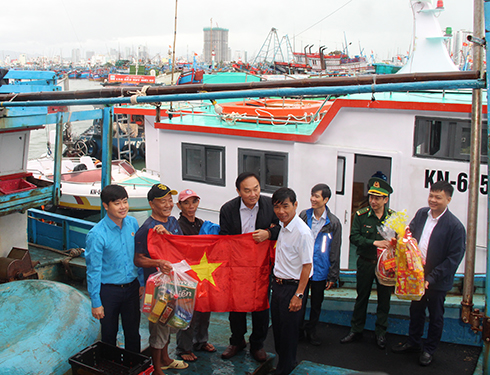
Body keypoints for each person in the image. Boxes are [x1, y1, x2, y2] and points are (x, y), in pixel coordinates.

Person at [392, 181, 466, 366]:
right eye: (431, 195)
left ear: (448, 199)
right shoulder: (421, 214)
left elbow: (453, 259)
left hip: (437, 281)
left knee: (436, 316)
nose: (432, 200)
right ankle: (414, 342)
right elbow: (410, 236)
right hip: (415, 276)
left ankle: (429, 349)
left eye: (438, 197)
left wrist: (431, 278)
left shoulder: (455, 227)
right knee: (415, 311)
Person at [219, 172, 280, 362]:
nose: (253, 194)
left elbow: (284, 227)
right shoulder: (228, 209)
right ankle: (237, 341)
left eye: (256, 189)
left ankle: (257, 344)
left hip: (261, 267)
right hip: (237, 267)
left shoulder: (271, 205)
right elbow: (224, 238)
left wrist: (268, 233)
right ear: (238, 191)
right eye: (247, 190)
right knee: (236, 307)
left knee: (260, 307)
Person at [134, 183, 188, 375]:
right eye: (162, 201)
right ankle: (157, 368)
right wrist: (158, 261)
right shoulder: (146, 228)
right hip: (157, 289)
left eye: (169, 200)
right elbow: (138, 259)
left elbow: (180, 246)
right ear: (151, 204)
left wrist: (168, 237)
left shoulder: (173, 222)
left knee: (170, 323)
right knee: (158, 326)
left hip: (174, 284)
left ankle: (166, 359)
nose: (168, 204)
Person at [85, 184, 143, 353]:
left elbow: (137, 255)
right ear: (105, 205)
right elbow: (93, 270)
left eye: (125, 202)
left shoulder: (132, 223)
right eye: (117, 203)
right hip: (109, 291)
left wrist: (140, 282)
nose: (123, 207)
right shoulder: (97, 234)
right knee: (109, 335)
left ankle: (135, 368)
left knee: (133, 333)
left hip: (132, 288)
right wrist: (96, 302)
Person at [340, 176, 394, 349]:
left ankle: (381, 333)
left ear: (385, 199)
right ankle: (356, 330)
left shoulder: (393, 218)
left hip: (386, 266)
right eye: (371, 197)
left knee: (384, 300)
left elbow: (400, 240)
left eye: (377, 198)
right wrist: (374, 243)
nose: (373, 201)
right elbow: (354, 237)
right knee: (361, 297)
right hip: (366, 263)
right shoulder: (361, 215)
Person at [271, 187, 314, 375]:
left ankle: (284, 370)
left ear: (295, 205)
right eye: (277, 207)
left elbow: (307, 266)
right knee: (279, 331)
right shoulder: (282, 227)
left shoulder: (302, 232)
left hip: (292, 288)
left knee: (288, 334)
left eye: (286, 206)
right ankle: (287, 365)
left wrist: (299, 294)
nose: (281, 212)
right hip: (278, 286)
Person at [175, 189, 216, 362]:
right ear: (179, 205)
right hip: (186, 275)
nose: (191, 206)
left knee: (204, 309)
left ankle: (201, 341)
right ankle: (183, 348)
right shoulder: (177, 226)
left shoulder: (202, 224)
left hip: (204, 273)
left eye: (194, 202)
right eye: (186, 202)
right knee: (186, 312)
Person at [299, 183, 341, 346]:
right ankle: (298, 331)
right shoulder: (304, 216)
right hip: (303, 268)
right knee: (300, 301)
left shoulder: (333, 223)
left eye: (317, 196)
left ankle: (312, 331)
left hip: (320, 271)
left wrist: (333, 275)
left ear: (326, 199)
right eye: (312, 195)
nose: (312, 199)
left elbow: (335, 249)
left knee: (316, 304)